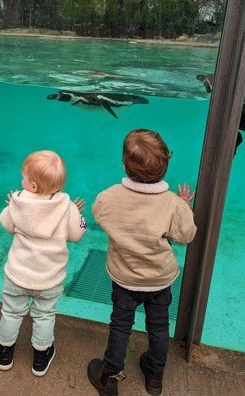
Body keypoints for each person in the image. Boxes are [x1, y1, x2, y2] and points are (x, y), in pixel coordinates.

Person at [87, 129, 197, 396]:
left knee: (120, 326)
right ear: (165, 168)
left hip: (124, 279)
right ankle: (155, 378)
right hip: (160, 280)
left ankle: (109, 378)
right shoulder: (173, 203)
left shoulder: (110, 196)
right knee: (159, 328)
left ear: (124, 164)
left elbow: (98, 212)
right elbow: (186, 236)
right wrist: (184, 207)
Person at [0, 150, 87, 376]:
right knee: (44, 315)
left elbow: (7, 225)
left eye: (24, 178)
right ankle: (40, 357)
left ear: (33, 186)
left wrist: (12, 206)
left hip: (17, 275)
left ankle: (5, 352)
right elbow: (77, 235)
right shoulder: (68, 207)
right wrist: (79, 216)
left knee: (11, 312)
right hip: (49, 280)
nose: (21, 181)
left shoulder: (18, 201)